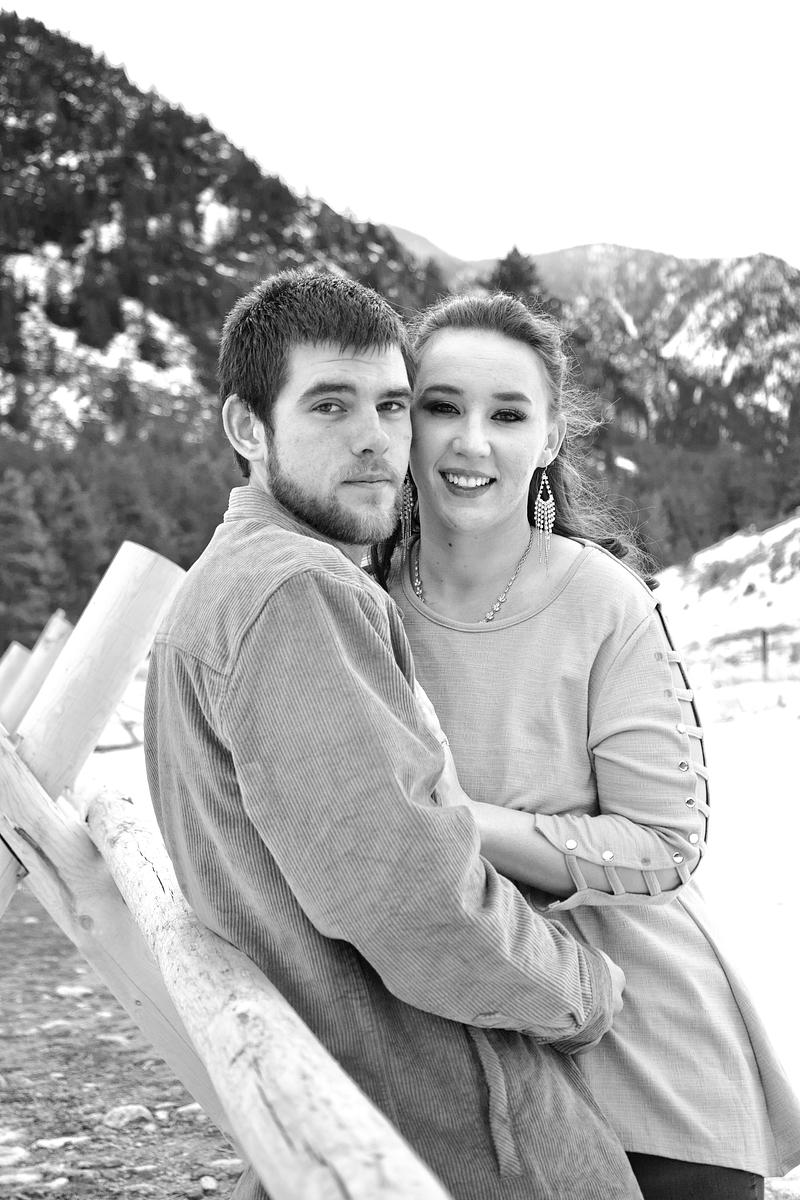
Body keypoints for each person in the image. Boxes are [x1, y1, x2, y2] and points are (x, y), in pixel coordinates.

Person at [144, 270, 643, 1200]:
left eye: (393, 404)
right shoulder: (298, 589)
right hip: (457, 1140)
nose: (375, 438)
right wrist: (583, 992)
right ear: (247, 427)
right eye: (330, 405)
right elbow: (412, 897)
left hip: (365, 1107)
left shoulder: (226, 582)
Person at [378, 291, 800, 1200]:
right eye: (442, 406)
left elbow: (665, 844)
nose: (471, 443)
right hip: (451, 1038)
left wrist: (455, 819)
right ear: (402, 421)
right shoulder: (359, 602)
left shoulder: (604, 600)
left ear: (551, 439)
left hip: (642, 1039)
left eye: (508, 415)